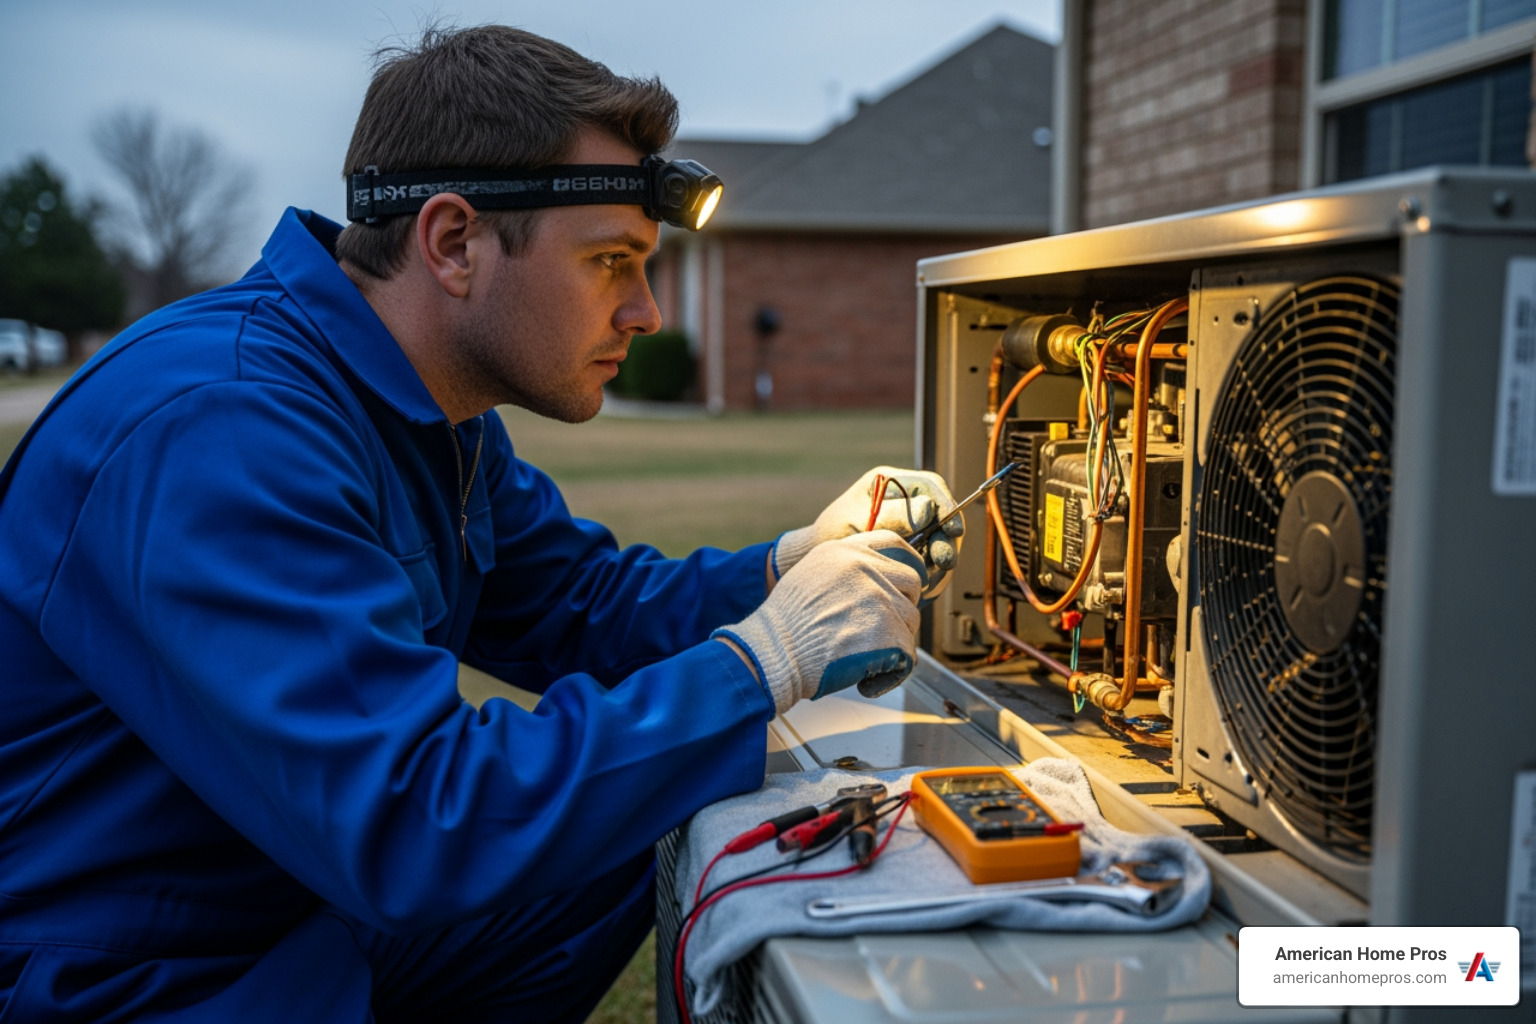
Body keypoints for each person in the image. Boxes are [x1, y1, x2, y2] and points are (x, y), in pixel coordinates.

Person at [0, 24, 963, 1022]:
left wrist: (789, 570)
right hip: (121, 975)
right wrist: (760, 666)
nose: (644, 311)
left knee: (640, 807)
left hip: (280, 907)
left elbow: (582, 605)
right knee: (632, 778)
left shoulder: (424, 413)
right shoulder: (222, 428)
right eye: (612, 261)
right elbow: (414, 817)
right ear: (453, 243)